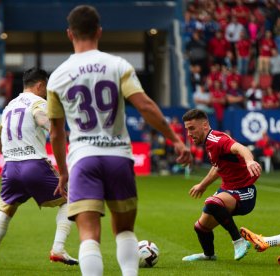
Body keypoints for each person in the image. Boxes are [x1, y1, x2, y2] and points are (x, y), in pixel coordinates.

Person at [46, 5, 191, 276]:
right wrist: (176, 140)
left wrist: (63, 173)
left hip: (83, 159)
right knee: (124, 230)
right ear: (99, 31)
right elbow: (146, 106)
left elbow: (56, 132)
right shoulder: (117, 65)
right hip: (119, 157)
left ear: (69, 34)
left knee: (89, 235)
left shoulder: (58, 77)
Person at [0, 68, 78, 269]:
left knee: (6, 210)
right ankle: (58, 248)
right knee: (71, 198)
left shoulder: (9, 107)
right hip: (34, 166)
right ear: (39, 85)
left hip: (11, 168)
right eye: (45, 88)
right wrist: (53, 127)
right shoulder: (39, 103)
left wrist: (13, 155)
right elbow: (45, 122)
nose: (46, 92)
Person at [181, 109, 262, 261]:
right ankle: (209, 255)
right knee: (200, 227)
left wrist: (249, 160)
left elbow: (240, 148)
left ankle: (239, 241)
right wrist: (202, 185)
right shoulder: (209, 143)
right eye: (187, 129)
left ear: (205, 125)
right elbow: (218, 167)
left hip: (244, 192)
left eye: (192, 128)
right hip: (228, 190)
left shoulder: (216, 139)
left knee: (213, 202)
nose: (189, 133)